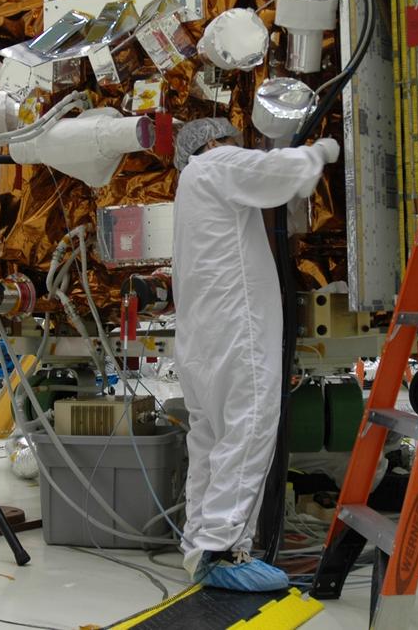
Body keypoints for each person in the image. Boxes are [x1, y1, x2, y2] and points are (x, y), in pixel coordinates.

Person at [171, 117, 340, 592]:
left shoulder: (189, 186)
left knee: (210, 440)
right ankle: (224, 549)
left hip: (201, 338)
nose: (238, 146)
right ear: (212, 141)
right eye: (234, 140)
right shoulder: (214, 164)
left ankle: (199, 543)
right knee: (247, 429)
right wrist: (321, 152)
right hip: (236, 330)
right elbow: (273, 173)